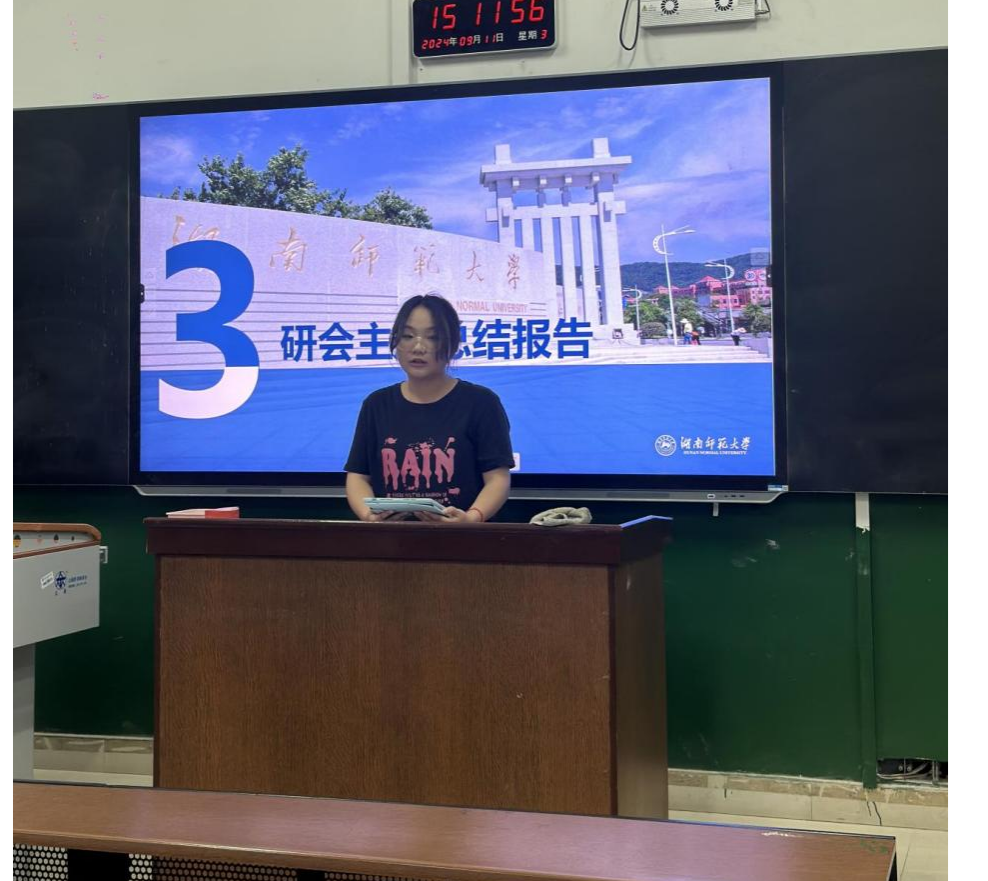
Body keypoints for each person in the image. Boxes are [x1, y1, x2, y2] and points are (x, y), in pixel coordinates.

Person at [344, 294, 513, 524]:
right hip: (391, 539)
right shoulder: (376, 404)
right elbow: (358, 476)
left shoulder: (481, 402)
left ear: (452, 345)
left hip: (463, 540)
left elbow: (497, 479)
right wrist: (369, 516)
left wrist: (471, 519)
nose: (418, 347)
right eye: (407, 336)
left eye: (432, 337)